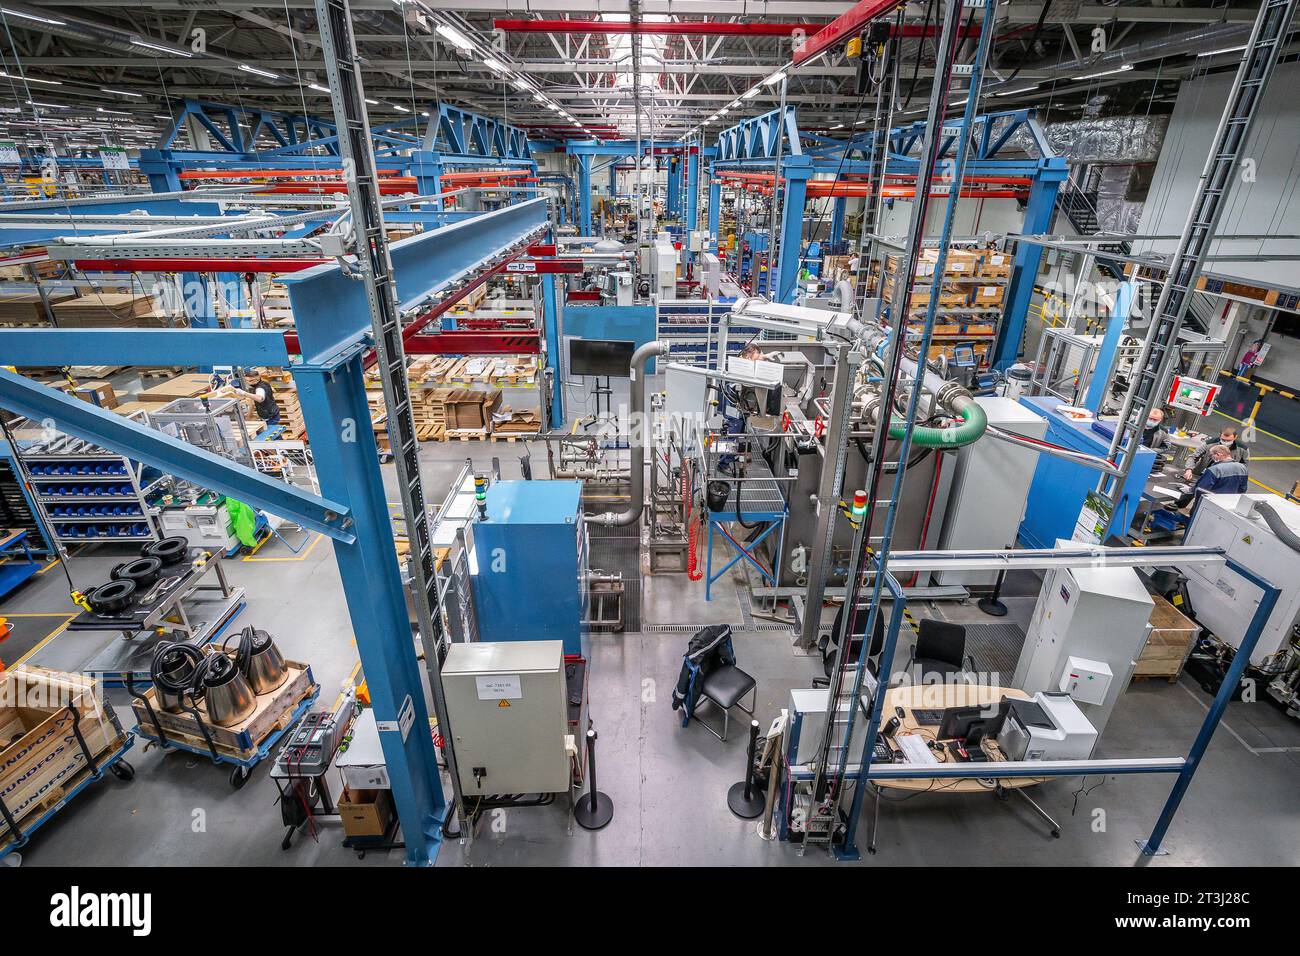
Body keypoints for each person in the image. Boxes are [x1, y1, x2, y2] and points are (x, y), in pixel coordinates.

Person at [1177, 444, 1249, 508]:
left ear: (1218, 454)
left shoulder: (1215, 469)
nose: (1211, 458)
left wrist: (1190, 490)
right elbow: (1242, 489)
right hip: (1229, 505)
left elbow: (1201, 489)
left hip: (1211, 504)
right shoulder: (1242, 468)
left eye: (1211, 455)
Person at [1184, 425, 1248, 481]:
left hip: (1224, 478)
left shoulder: (1243, 449)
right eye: (1223, 440)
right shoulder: (1208, 443)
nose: (1225, 442)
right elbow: (1193, 457)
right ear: (1220, 435)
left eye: (1229, 440)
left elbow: (1244, 466)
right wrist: (1189, 469)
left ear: (1235, 437)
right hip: (1202, 474)